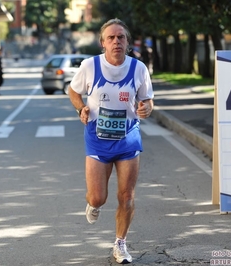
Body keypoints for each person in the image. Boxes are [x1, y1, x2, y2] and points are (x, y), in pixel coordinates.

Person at [68, 18, 154, 264]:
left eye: (121, 37)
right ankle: (93, 204)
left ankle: (120, 244)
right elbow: (73, 91)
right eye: (111, 37)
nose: (116, 41)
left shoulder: (138, 68)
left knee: (126, 196)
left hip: (128, 139)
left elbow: (148, 100)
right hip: (97, 140)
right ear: (102, 43)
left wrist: (146, 108)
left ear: (127, 42)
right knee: (98, 197)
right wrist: (81, 108)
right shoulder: (90, 66)